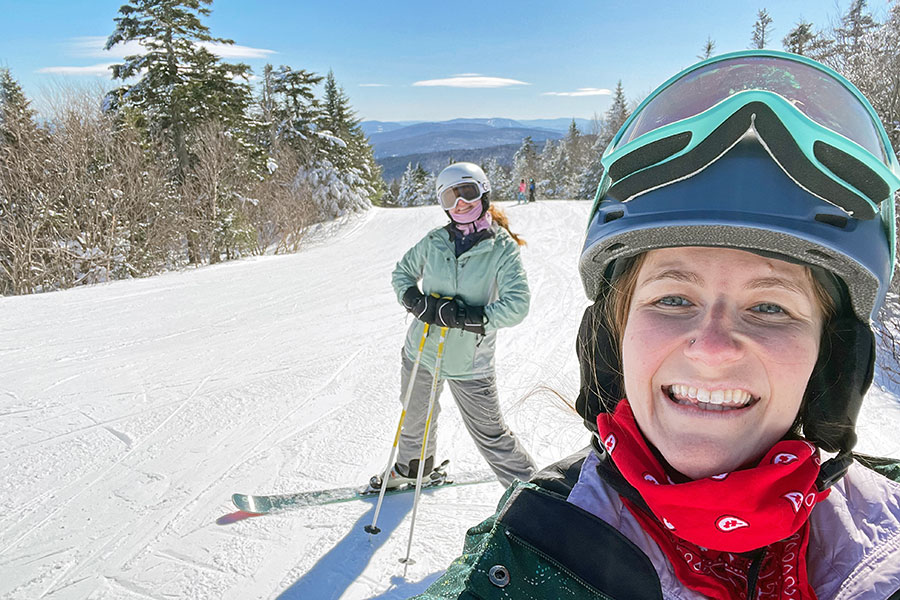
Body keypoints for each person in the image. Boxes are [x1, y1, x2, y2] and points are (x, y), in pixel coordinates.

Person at [414, 51, 900, 599]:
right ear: (611, 336)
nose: (712, 349)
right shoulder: (527, 553)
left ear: (831, 360)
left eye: (770, 308)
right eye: (672, 298)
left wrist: (469, 315)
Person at [377, 162, 537, 491]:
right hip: (421, 350)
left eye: (467, 192)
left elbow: (517, 305)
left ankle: (535, 495)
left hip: (469, 362)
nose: (460, 203)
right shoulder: (434, 241)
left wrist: (467, 317)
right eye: (450, 197)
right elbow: (402, 274)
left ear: (483, 193)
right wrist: (415, 301)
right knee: (415, 418)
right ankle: (412, 469)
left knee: (491, 435)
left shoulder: (501, 248)